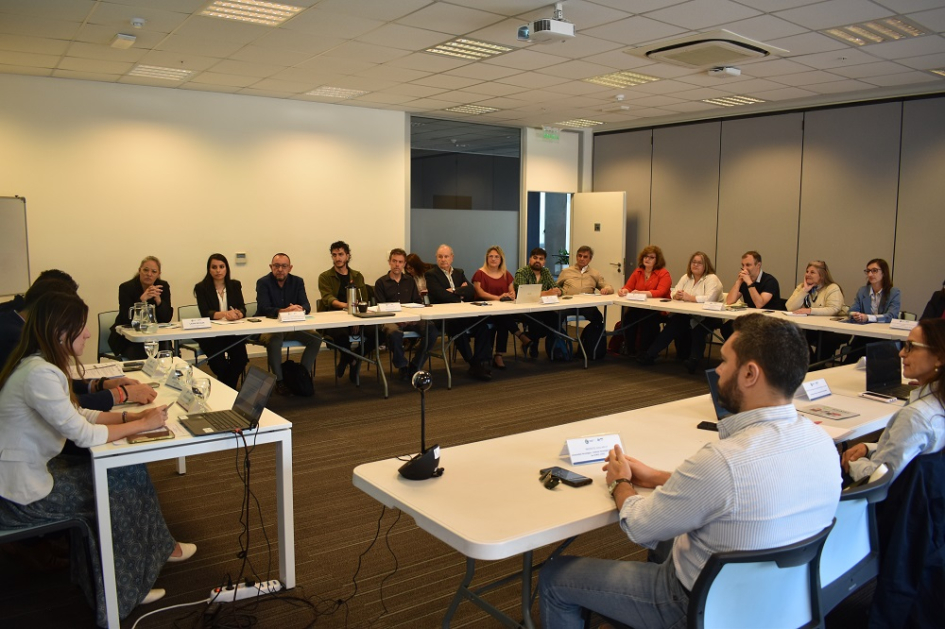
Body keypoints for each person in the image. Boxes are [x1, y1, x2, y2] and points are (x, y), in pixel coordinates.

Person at [539, 313, 841, 628]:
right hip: (779, 604)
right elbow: (739, 495)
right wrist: (656, 477)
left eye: (725, 362)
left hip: (696, 605)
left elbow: (640, 526)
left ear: (750, 374)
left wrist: (621, 483)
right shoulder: (822, 443)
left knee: (555, 576)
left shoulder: (724, 462)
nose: (718, 371)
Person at [0, 292, 195, 625]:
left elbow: (80, 414)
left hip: (28, 474)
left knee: (127, 469)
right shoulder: (40, 375)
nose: (89, 334)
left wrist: (131, 419)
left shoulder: (38, 365)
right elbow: (84, 435)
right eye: (82, 327)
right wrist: (143, 423)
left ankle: (142, 565)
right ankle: (122, 591)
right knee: (116, 487)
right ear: (61, 332)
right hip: (19, 495)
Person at [0, 274, 156, 410]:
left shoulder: (16, 323)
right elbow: (63, 406)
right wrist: (121, 394)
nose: (86, 333)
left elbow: (54, 386)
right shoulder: (14, 338)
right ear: (50, 311)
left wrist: (99, 385)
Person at [842, 318, 945, 483]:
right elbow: (910, 454)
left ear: (939, 357)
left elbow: (876, 478)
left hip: (881, 502)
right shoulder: (937, 403)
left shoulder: (916, 416)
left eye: (911, 347)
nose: (901, 353)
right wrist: (869, 448)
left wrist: (852, 462)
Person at [637, 251, 723, 372]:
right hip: (688, 314)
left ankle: (693, 360)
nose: (695, 265)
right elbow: (673, 291)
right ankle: (650, 354)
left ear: (706, 265)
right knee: (674, 324)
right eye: (693, 262)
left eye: (699, 263)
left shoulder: (712, 279)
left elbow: (710, 299)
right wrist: (676, 295)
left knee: (699, 328)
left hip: (710, 316)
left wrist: (690, 298)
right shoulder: (686, 277)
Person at [425, 244, 495, 381]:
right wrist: (460, 293)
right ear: (436, 258)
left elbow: (471, 291)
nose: (443, 259)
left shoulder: (459, 272)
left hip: (463, 313)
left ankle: (478, 361)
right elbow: (440, 296)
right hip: (445, 317)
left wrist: (454, 291)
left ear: (452, 258)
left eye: (446, 256)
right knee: (458, 328)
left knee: (484, 324)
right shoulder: (431, 274)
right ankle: (474, 364)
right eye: (440, 256)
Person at [255, 253, 321, 396]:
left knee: (316, 338)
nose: (280, 269)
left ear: (290, 268)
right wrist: (285, 311)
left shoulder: (298, 282)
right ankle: (280, 381)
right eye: (276, 266)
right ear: (271, 267)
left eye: (284, 266)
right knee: (275, 339)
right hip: (269, 328)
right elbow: (264, 308)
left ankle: (300, 376)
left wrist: (300, 308)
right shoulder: (263, 282)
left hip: (291, 327)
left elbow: (306, 305)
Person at [374, 248, 437, 381]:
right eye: (394, 261)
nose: (397, 265)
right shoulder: (381, 283)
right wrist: (398, 319)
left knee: (431, 330)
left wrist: (411, 318)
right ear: (389, 262)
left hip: (411, 319)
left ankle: (415, 365)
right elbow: (380, 306)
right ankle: (402, 365)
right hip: (390, 320)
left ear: (404, 264)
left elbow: (417, 302)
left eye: (400, 262)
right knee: (394, 333)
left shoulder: (410, 280)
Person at [193, 253, 249, 389]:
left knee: (241, 360)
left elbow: (242, 308)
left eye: (221, 267)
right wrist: (225, 314)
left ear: (226, 268)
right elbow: (206, 313)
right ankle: (230, 390)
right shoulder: (201, 288)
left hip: (232, 331)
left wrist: (239, 313)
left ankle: (225, 390)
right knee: (220, 365)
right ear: (209, 269)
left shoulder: (235, 285)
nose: (218, 270)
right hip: (211, 334)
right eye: (214, 267)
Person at [317, 240, 369, 382]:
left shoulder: (357, 276)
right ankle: (352, 360)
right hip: (333, 318)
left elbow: (363, 298)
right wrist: (346, 306)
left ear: (347, 256)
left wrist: (355, 317)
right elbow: (327, 298)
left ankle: (351, 357)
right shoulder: (325, 277)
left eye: (340, 254)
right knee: (340, 334)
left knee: (379, 333)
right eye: (334, 255)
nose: (337, 258)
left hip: (356, 315)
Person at [472, 245, 527, 369]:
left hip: (502, 311)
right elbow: (480, 293)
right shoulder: (479, 273)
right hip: (483, 312)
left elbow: (511, 291)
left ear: (501, 259)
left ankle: (498, 355)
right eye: (490, 256)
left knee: (503, 320)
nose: (493, 259)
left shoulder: (505, 274)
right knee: (504, 319)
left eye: (496, 257)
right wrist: (498, 298)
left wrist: (512, 294)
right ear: (486, 258)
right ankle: (518, 335)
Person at [108, 256, 173, 360]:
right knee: (140, 353)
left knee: (166, 352)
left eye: (154, 271)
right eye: (145, 270)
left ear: (158, 274)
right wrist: (141, 300)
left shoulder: (162, 286)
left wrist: (159, 300)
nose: (149, 274)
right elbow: (126, 318)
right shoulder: (126, 288)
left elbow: (167, 318)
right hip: (128, 339)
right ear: (139, 271)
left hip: (155, 337)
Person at [786, 260, 845, 362]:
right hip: (812, 328)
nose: (808, 274)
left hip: (833, 329)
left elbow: (834, 309)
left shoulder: (832, 288)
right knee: (794, 334)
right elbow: (790, 307)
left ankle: (817, 365)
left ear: (821, 275)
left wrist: (809, 310)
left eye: (812, 272)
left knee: (827, 340)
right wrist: (804, 290)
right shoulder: (802, 287)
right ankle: (812, 363)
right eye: (807, 271)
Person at [844, 258, 902, 363]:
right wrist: (856, 314)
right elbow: (851, 310)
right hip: (864, 334)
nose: (870, 274)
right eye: (868, 271)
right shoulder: (862, 291)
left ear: (884, 273)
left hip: (884, 336)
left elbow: (892, 315)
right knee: (851, 359)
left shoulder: (894, 292)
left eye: (874, 270)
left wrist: (867, 317)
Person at [617, 245, 671, 356]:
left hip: (658, 309)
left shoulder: (663, 273)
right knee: (628, 317)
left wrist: (641, 293)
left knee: (647, 319)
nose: (647, 259)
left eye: (651, 257)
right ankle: (630, 348)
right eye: (646, 256)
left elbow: (661, 292)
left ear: (657, 260)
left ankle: (645, 351)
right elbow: (628, 287)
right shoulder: (638, 272)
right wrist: (623, 291)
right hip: (640, 307)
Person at [513, 247, 563, 358]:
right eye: (535, 258)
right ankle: (533, 344)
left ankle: (531, 338)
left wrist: (559, 291)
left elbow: (555, 287)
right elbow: (524, 292)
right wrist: (547, 293)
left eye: (541, 259)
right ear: (529, 259)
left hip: (542, 307)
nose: (537, 261)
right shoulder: (522, 272)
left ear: (544, 261)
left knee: (556, 319)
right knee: (536, 322)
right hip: (524, 309)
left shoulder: (546, 272)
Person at [721, 250, 781, 338]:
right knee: (727, 328)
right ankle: (740, 351)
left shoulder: (770, 281)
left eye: (748, 265)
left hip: (768, 320)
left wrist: (749, 283)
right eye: (743, 265)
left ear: (758, 265)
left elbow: (759, 304)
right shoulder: (745, 281)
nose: (744, 269)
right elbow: (729, 301)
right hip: (751, 318)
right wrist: (738, 282)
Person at [555, 245, 614, 326]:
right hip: (568, 304)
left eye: (585, 257)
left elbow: (608, 286)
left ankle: (587, 337)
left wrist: (606, 290)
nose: (582, 258)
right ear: (576, 257)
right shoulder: (566, 271)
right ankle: (560, 337)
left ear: (590, 259)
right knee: (556, 317)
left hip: (587, 305)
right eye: (580, 256)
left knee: (598, 318)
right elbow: (555, 286)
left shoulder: (594, 273)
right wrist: (557, 291)